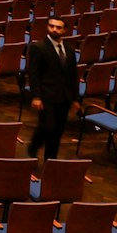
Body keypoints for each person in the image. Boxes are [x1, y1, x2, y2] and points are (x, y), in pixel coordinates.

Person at [25, 15, 78, 160]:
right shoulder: (38, 47)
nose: (54, 29)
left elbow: (73, 75)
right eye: (51, 26)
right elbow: (34, 74)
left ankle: (50, 160)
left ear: (65, 30)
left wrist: (75, 98)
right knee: (48, 127)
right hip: (46, 95)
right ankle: (34, 146)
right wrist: (36, 96)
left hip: (64, 97)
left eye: (58, 27)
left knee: (57, 132)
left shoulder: (70, 50)